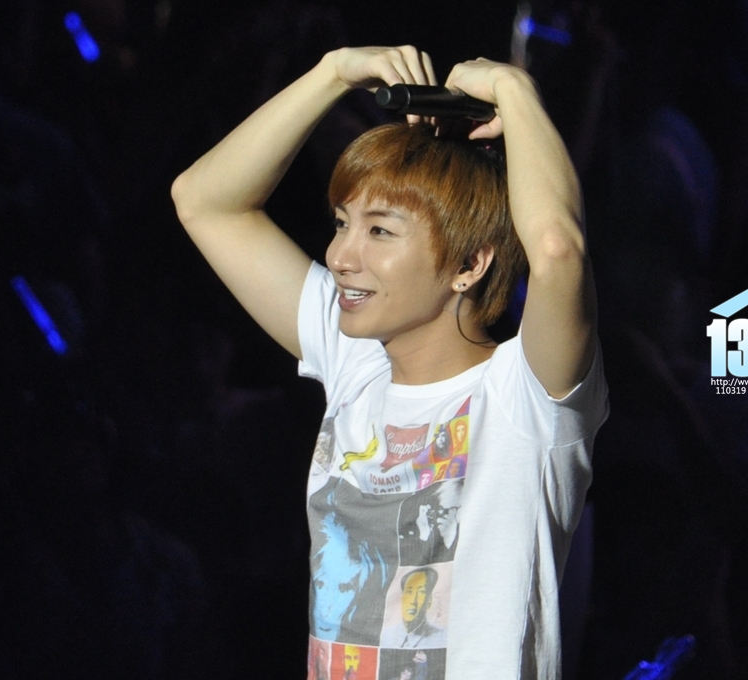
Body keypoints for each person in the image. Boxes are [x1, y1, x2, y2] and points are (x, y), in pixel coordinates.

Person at [172, 45, 608, 678]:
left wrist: (516, 92)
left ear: (469, 264)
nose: (341, 256)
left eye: (379, 231)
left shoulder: (526, 398)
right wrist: (331, 73)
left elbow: (557, 249)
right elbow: (203, 200)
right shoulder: (357, 362)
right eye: (341, 223)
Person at [380, 567, 445, 648]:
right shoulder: (385, 636)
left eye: (421, 592)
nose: (413, 601)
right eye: (409, 592)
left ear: (429, 600)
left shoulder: (442, 637)